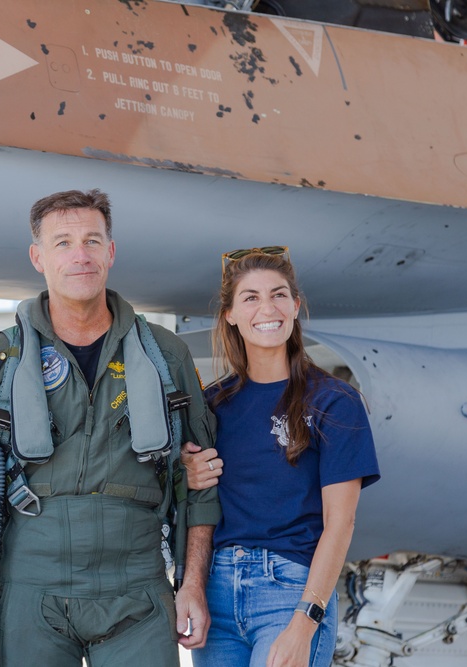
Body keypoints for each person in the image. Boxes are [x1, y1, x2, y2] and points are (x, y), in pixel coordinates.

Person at [0, 189, 221, 666]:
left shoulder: (165, 356)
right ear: (37, 257)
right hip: (31, 592)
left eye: (91, 240)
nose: (79, 255)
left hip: (138, 591)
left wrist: (192, 586)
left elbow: (201, 484)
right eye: (62, 242)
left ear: (110, 251)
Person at [183, 246, 380, 667]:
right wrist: (186, 473)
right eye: (250, 297)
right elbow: (192, 508)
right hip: (216, 592)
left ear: (295, 307)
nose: (267, 308)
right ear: (230, 315)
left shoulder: (335, 401)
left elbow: (340, 524)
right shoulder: (212, 404)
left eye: (278, 294)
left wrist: (305, 622)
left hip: (289, 591)